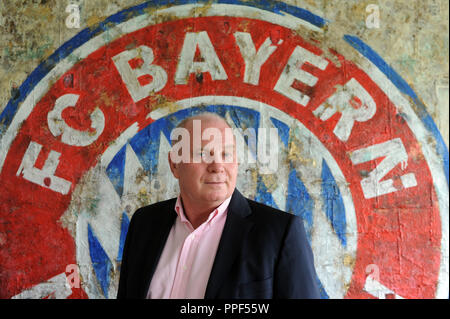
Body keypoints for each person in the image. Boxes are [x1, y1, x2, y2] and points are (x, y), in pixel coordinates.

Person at [117, 112, 320, 299]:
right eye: (203, 154)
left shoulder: (280, 233)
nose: (217, 167)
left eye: (226, 154)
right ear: (175, 164)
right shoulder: (144, 223)